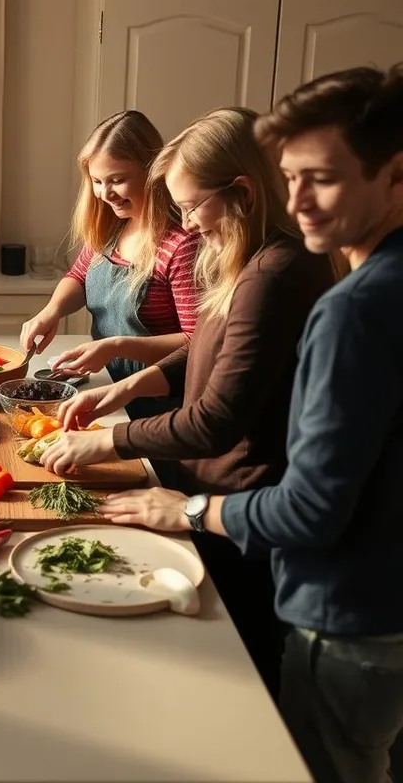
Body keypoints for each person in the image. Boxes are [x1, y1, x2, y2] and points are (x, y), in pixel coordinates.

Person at [100, 67, 403, 783]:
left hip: (345, 610)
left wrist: (188, 508)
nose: (297, 201)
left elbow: (312, 506)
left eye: (321, 178)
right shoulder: (348, 277)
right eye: (289, 176)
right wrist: (144, 374)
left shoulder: (352, 306)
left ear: (393, 176)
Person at [44, 107, 335, 697]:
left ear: (243, 193)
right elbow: (203, 345)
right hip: (213, 494)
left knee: (235, 677)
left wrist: (108, 439)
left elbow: (216, 421)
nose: (186, 223)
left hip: (242, 505)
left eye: (192, 205)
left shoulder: (272, 274)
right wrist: (127, 387)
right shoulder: (250, 257)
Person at [20, 111, 199, 419]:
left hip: (162, 402)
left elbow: (195, 340)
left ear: (154, 172)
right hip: (111, 388)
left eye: (117, 180)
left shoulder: (181, 244)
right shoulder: (111, 226)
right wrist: (52, 311)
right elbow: (79, 277)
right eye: (97, 182)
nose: (105, 194)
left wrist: (115, 346)